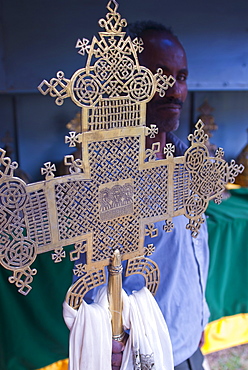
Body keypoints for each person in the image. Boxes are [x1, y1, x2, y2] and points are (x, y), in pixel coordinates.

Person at [111, 21, 210, 370]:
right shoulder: (112, 177)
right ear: (126, 82)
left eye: (181, 76)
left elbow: (194, 249)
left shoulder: (191, 161)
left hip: (189, 342)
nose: (175, 90)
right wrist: (106, 341)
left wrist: (200, 315)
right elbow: (91, 277)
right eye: (159, 75)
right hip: (145, 357)